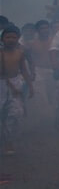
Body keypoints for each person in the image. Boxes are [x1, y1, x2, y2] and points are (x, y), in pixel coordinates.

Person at [1, 25, 34, 154]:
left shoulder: (20, 53)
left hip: (15, 83)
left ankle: (9, 142)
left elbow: (24, 70)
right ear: (2, 39)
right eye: (8, 37)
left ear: (18, 38)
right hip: (2, 84)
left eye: (14, 37)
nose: (11, 39)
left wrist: (30, 86)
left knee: (16, 113)